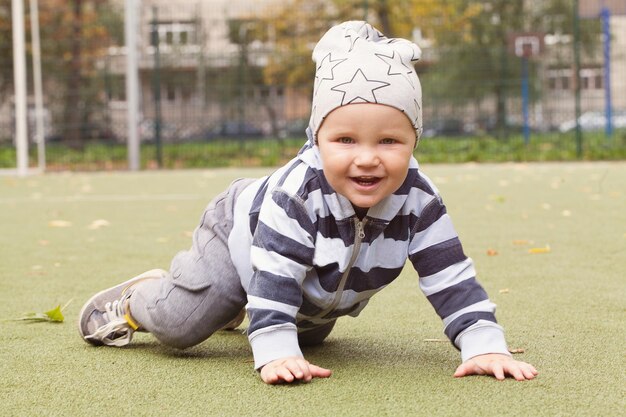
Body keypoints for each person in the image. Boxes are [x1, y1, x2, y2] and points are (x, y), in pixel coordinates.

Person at [78, 21, 538, 384]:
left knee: (310, 341)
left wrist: (484, 344)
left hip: (314, 293)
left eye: (390, 141)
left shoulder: (419, 199)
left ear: (414, 140)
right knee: (182, 326)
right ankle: (137, 299)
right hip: (240, 233)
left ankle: (247, 309)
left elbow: (450, 275)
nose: (367, 158)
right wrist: (275, 352)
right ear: (316, 139)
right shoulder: (297, 194)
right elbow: (277, 272)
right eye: (344, 139)